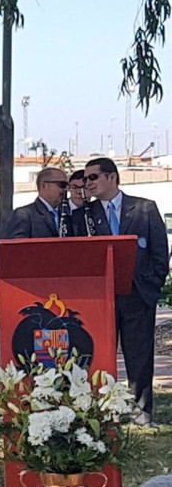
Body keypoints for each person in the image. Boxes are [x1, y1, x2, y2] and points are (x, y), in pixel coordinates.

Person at [74, 157, 168, 427]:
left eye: (93, 177)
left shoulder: (144, 208)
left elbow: (159, 251)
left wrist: (152, 284)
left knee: (139, 356)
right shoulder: (84, 216)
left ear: (111, 177)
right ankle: (99, 413)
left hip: (138, 295)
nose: (87, 183)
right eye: (85, 179)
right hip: (100, 299)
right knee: (97, 356)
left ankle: (142, 413)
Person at [3, 167, 70, 239]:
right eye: (62, 185)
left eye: (67, 185)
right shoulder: (24, 215)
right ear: (44, 185)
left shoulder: (67, 213)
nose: (66, 189)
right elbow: (16, 247)